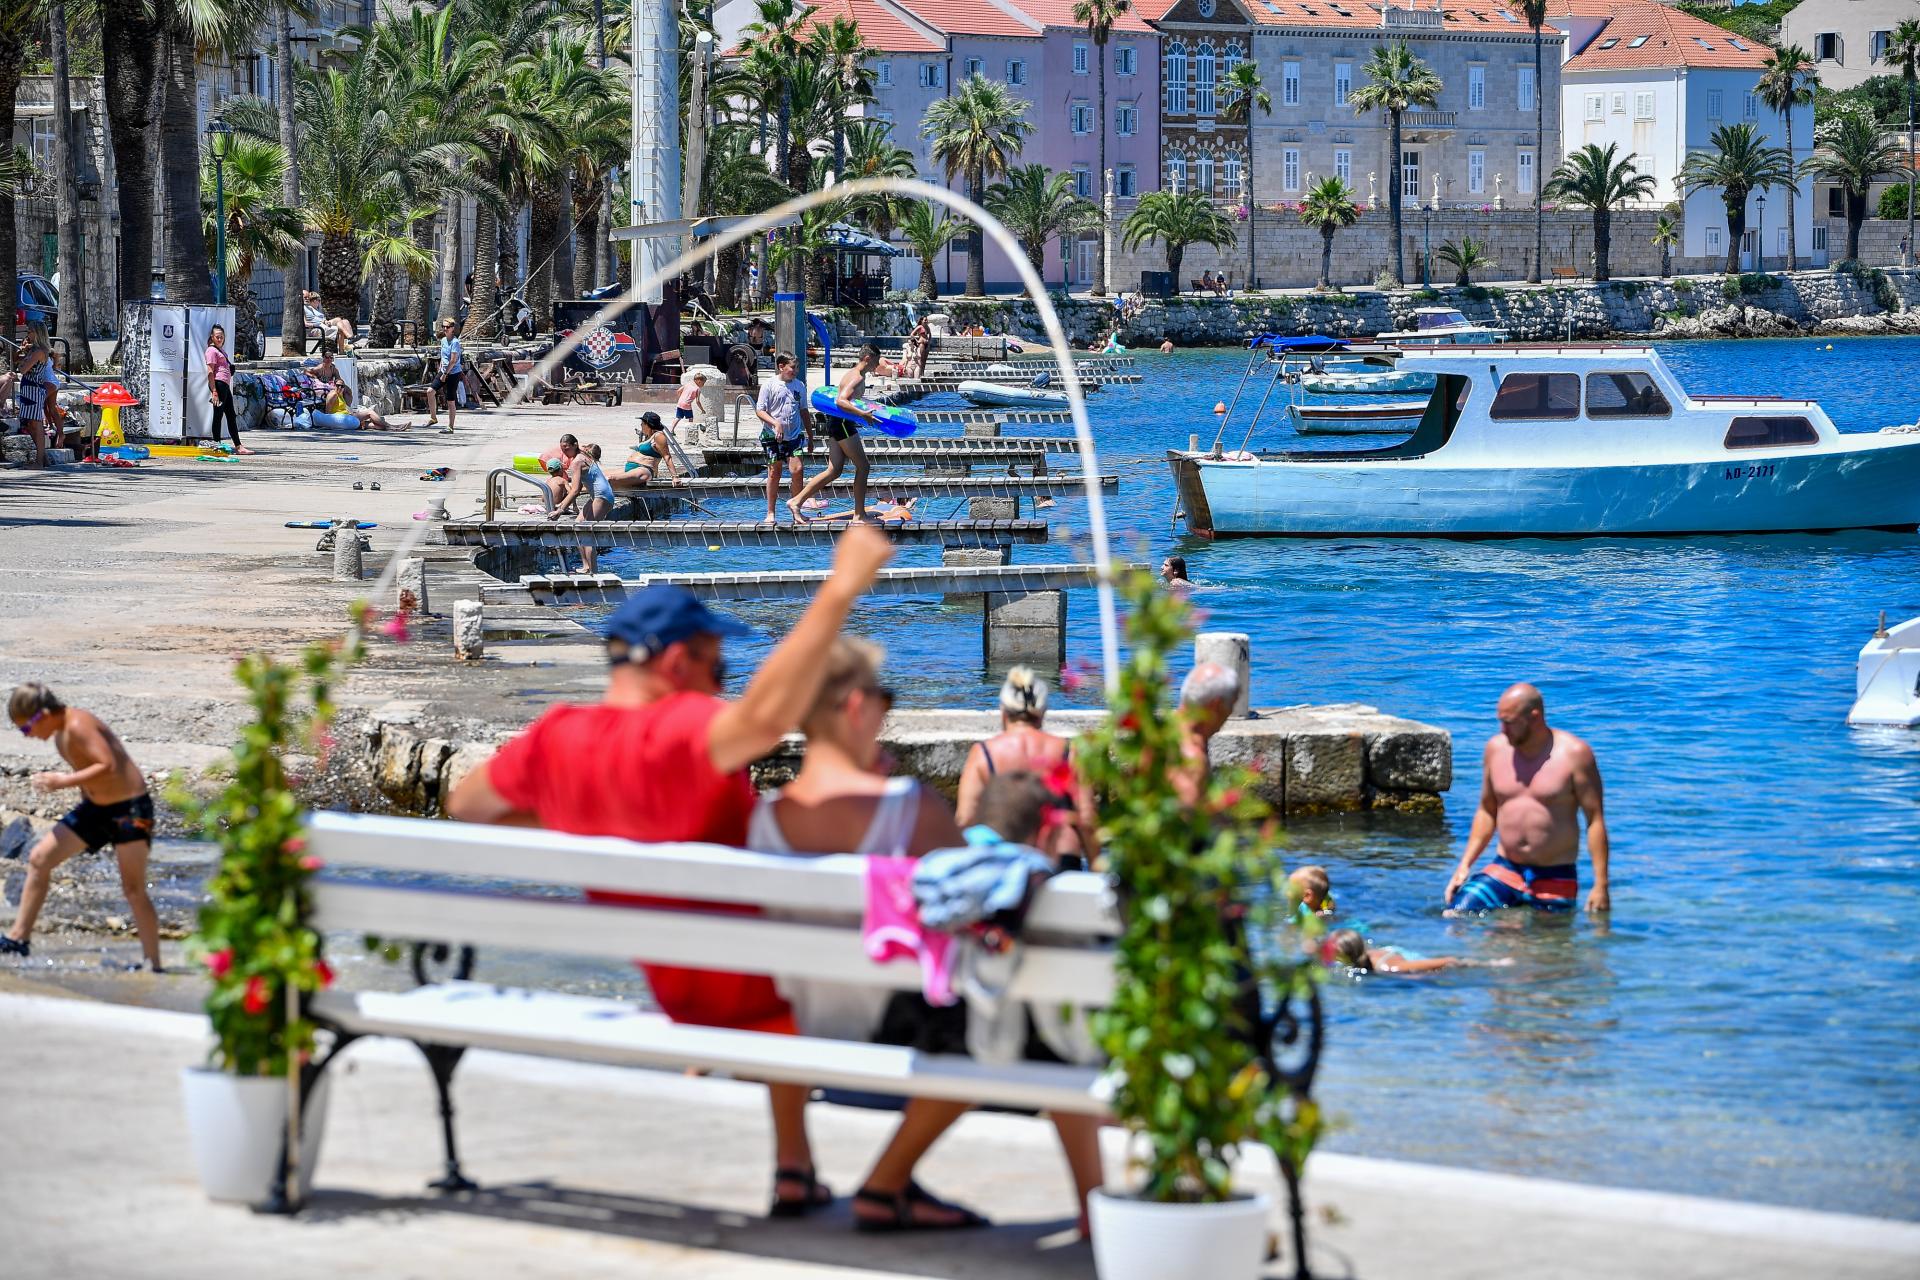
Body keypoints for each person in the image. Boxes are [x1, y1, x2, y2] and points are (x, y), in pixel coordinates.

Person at [447, 526, 897, 1225]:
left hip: (675, 985)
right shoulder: (680, 729)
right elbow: (769, 718)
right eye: (719, 672)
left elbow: (466, 803)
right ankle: (882, 1181)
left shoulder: (556, 736)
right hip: (770, 989)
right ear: (680, 662)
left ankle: (796, 1167)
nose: (723, 689)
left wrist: (582, 820)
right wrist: (841, 587)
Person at [3, 684, 161, 970]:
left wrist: (60, 781)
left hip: (130, 810)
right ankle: (19, 939)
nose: (28, 737)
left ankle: (155, 965)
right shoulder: (61, 733)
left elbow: (108, 764)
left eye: (26, 729)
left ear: (43, 715)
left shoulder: (78, 724)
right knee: (40, 858)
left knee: (134, 889)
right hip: (96, 810)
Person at [1444, 683, 1609, 915]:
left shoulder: (1575, 755)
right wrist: (1464, 865)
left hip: (1555, 874)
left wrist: (1601, 885)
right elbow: (1487, 810)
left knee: (1550, 948)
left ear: (1534, 717)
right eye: (1500, 721)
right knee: (1455, 916)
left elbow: (1595, 820)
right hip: (1506, 869)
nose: (1502, 729)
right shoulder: (1495, 749)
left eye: (1509, 722)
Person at [787, 343, 893, 525]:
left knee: (834, 470)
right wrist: (863, 415)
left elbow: (851, 400)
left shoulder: (854, 374)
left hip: (837, 423)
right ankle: (859, 515)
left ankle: (796, 501)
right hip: (844, 423)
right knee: (863, 467)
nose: (877, 365)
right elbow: (841, 401)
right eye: (875, 361)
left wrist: (868, 407)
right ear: (867, 358)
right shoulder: (857, 378)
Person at [755, 352, 811, 523]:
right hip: (772, 435)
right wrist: (775, 423)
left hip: (794, 435)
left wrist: (810, 433)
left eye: (797, 367)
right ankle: (770, 512)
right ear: (781, 366)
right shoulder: (769, 385)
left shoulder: (799, 386)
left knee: (798, 469)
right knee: (774, 472)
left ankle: (796, 508)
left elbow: (803, 410)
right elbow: (760, 410)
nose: (795, 371)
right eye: (792, 368)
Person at [1174, 662, 1240, 806]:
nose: (1229, 714)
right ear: (1215, 706)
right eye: (1231, 706)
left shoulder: (1161, 731)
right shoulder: (1192, 761)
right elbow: (1186, 823)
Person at [549, 442, 616, 572]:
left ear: (575, 445)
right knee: (578, 525)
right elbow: (577, 487)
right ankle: (586, 567)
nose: (565, 453)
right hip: (599, 496)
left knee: (586, 531)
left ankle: (593, 571)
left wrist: (560, 510)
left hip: (602, 496)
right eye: (563, 450)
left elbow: (574, 491)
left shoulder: (578, 461)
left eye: (567, 449)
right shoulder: (583, 455)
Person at [1324, 928, 1468, 977]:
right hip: (1391, 953)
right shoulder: (1364, 953)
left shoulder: (1389, 968)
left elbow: (1447, 961)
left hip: (1405, 966)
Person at [203, 324, 251, 454]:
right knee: (218, 415)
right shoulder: (211, 351)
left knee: (231, 415)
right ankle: (216, 444)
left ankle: (238, 445)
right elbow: (210, 372)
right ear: (212, 337)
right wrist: (214, 391)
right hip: (218, 385)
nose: (220, 339)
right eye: (217, 337)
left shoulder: (221, 350)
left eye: (222, 337)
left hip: (224, 384)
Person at [12, 325, 53, 468]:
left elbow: (23, 369)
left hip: (34, 389)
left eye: (30, 331)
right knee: (29, 424)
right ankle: (44, 458)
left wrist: (24, 360)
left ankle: (39, 461)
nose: (27, 334)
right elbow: (17, 361)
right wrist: (22, 352)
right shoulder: (32, 350)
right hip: (27, 388)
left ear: (38, 333)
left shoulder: (39, 351)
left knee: (36, 424)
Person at [619, 411, 683, 485]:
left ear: (648, 425)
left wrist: (675, 477)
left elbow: (667, 456)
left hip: (643, 471)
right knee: (603, 476)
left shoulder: (658, 436)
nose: (641, 425)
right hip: (632, 469)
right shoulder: (648, 436)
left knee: (609, 478)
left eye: (642, 423)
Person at [432, 318, 465, 432]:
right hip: (443, 370)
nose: (445, 329)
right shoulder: (443, 340)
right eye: (444, 327)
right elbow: (443, 356)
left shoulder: (455, 342)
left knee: (450, 400)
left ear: (452, 329)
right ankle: (433, 418)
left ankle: (450, 426)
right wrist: (441, 368)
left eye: (447, 327)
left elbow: (453, 360)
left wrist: (445, 373)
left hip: (453, 373)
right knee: (430, 391)